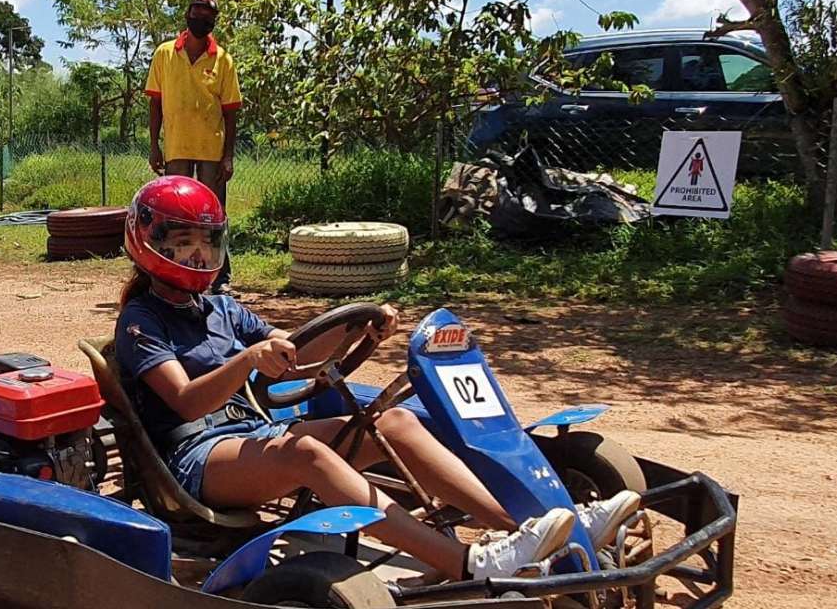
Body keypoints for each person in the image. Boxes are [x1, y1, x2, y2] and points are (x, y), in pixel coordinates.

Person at [115, 176, 642, 581]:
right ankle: (468, 563)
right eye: (183, 242)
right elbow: (184, 403)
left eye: (206, 241)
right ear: (149, 240)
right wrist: (248, 361)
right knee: (307, 453)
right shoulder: (141, 320)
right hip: (195, 460)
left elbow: (296, 357)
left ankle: (527, 530)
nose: (198, 254)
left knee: (391, 422)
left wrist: (354, 323)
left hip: (248, 438)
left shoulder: (221, 308)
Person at [144, 0, 239, 295]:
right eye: (195, 11)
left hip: (211, 150)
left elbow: (231, 112)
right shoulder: (165, 54)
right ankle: (174, 274)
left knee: (214, 214)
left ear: (213, 21)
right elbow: (155, 104)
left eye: (207, 14)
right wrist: (154, 146)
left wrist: (228, 156)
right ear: (187, 16)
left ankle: (220, 277)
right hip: (176, 148)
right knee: (176, 214)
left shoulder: (223, 59)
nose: (200, 17)